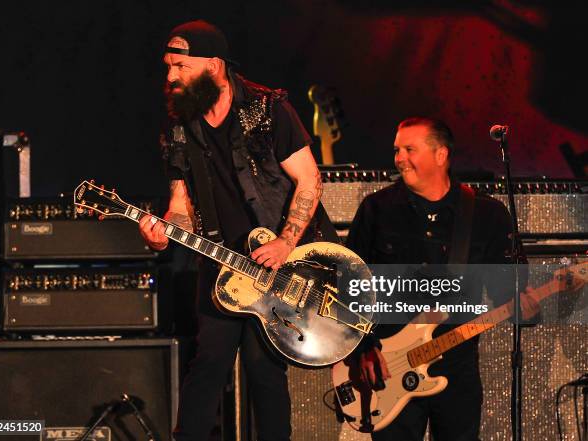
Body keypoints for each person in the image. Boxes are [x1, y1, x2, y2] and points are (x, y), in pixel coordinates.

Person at [138, 20, 336, 441]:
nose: (170, 76)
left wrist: (285, 242)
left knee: (264, 370)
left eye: (180, 66)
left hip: (279, 262)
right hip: (221, 262)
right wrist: (162, 231)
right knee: (208, 362)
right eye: (167, 67)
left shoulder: (266, 109)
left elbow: (309, 180)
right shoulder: (179, 126)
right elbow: (181, 209)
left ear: (213, 65)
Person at [345, 117, 533, 441]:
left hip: (457, 369)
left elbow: (509, 294)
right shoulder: (377, 210)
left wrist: (525, 307)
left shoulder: (487, 215)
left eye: (409, 149)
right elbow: (349, 286)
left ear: (441, 155)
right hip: (388, 366)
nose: (399, 158)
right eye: (397, 150)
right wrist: (362, 347)